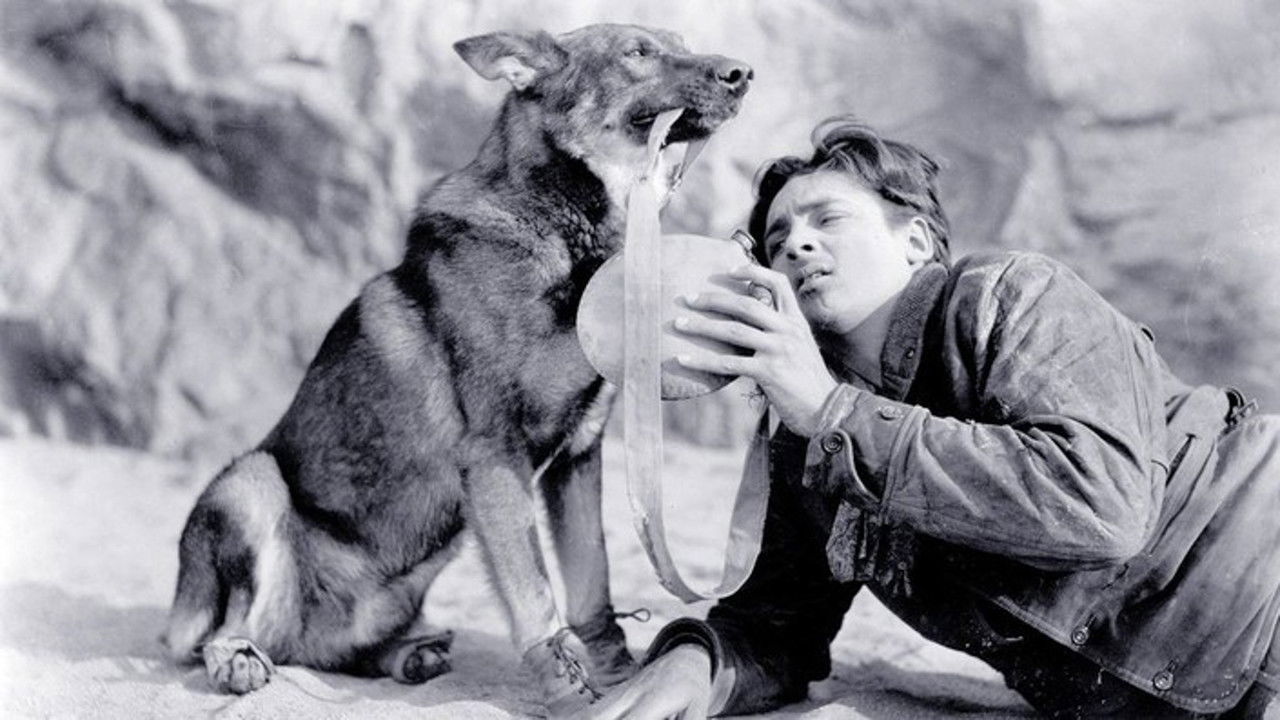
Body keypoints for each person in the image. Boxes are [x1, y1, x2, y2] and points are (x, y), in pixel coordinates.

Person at [581, 116, 1280, 719]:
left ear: (916, 242)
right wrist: (698, 663)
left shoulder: (1011, 296)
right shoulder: (807, 435)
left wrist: (833, 412)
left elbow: (1101, 506)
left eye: (828, 219)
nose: (795, 245)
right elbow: (777, 628)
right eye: (776, 238)